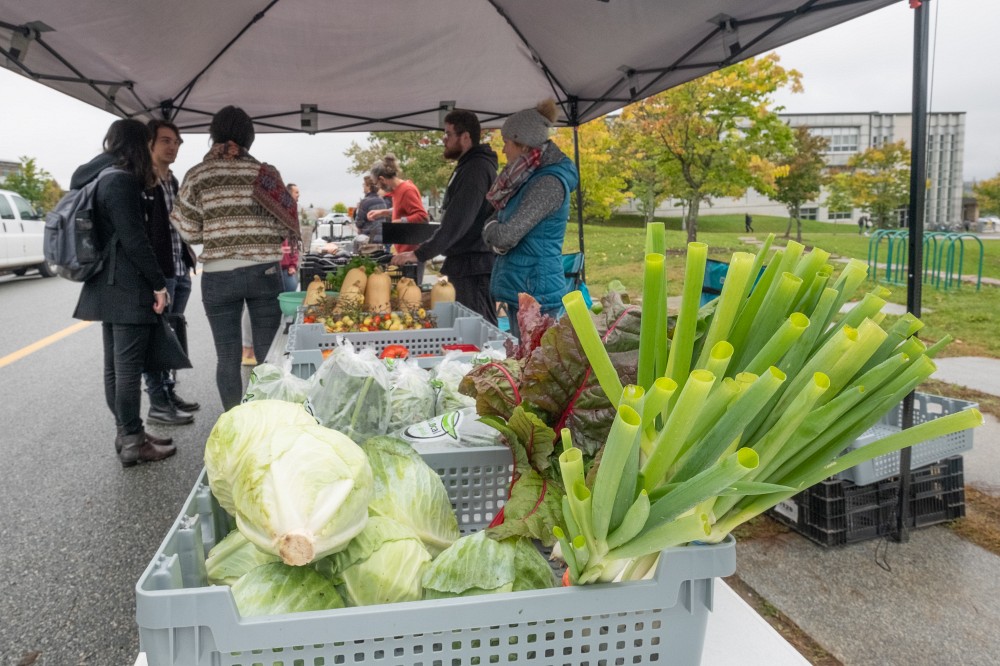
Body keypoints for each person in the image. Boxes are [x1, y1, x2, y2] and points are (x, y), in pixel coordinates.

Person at [171, 105, 298, 411]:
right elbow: (287, 223)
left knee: (227, 358)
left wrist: (215, 233)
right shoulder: (265, 173)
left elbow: (185, 229)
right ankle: (269, 420)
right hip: (264, 271)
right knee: (268, 355)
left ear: (213, 135)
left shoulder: (198, 175)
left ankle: (234, 422)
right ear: (249, 138)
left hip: (218, 276)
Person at [71, 118, 177, 466]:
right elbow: (135, 239)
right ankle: (133, 439)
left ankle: (128, 433)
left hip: (107, 283)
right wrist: (158, 283)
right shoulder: (123, 181)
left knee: (115, 368)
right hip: (128, 286)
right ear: (141, 144)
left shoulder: (100, 175)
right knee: (126, 368)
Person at [481, 99, 579, 339]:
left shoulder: (547, 183)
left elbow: (506, 235)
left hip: (537, 296)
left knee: (533, 370)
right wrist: (494, 226)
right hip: (526, 288)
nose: (503, 150)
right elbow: (498, 221)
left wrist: (489, 230)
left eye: (506, 143)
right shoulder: (526, 177)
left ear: (523, 145)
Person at [391, 109, 498, 323]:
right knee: (466, 328)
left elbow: (457, 221)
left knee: (479, 329)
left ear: (465, 137)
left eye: (448, 134)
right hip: (465, 265)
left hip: (474, 268)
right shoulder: (468, 166)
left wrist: (421, 254)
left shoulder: (475, 169)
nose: (444, 140)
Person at [141, 119, 200, 427]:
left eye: (176, 142)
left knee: (171, 337)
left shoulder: (173, 180)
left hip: (180, 269)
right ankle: (158, 403)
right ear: (149, 143)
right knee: (157, 338)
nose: (172, 146)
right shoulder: (142, 180)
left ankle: (169, 392)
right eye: (165, 141)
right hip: (160, 275)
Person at [367, 154, 429, 280]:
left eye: (377, 184)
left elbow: (422, 216)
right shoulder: (397, 191)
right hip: (403, 252)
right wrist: (383, 212)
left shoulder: (407, 190)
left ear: (382, 179)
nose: (378, 187)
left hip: (412, 254)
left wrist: (400, 221)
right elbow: (403, 209)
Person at [354, 174, 389, 245]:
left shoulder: (365, 201)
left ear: (368, 186)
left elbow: (359, 223)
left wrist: (357, 210)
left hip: (369, 238)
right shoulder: (382, 200)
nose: (363, 186)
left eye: (364, 184)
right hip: (382, 237)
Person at [279, 183, 301, 292]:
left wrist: (293, 265)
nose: (299, 195)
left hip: (286, 269)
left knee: (291, 289)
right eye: (296, 192)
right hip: (274, 268)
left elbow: (294, 242)